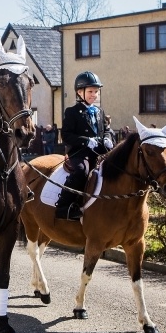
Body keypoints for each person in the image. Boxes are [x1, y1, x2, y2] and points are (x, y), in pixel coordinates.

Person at [54, 71, 115, 221]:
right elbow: (66, 135)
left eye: (96, 91)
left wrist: (108, 138)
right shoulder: (72, 112)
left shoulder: (99, 112)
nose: (94, 95)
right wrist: (85, 140)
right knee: (82, 171)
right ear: (79, 92)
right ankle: (65, 206)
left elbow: (107, 130)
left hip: (101, 152)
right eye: (90, 92)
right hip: (81, 153)